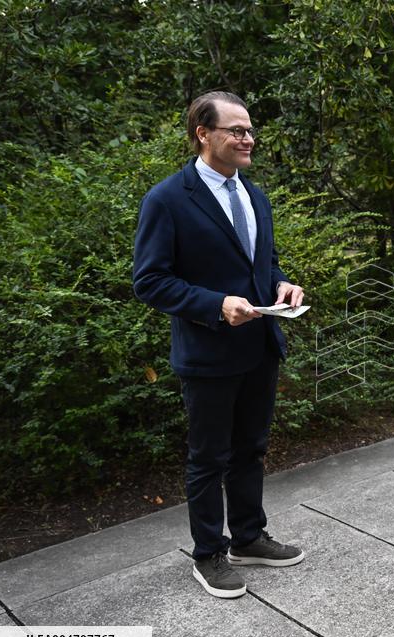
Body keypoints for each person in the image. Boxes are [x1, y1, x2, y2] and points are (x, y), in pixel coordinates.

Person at [133, 91, 306, 599]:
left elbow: (263, 264)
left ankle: (248, 538)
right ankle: (208, 553)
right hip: (208, 353)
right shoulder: (167, 199)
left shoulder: (254, 195)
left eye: (249, 129)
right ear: (202, 134)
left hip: (260, 346)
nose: (247, 138)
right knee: (209, 457)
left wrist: (282, 285)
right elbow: (150, 280)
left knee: (250, 450)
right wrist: (216, 304)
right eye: (235, 130)